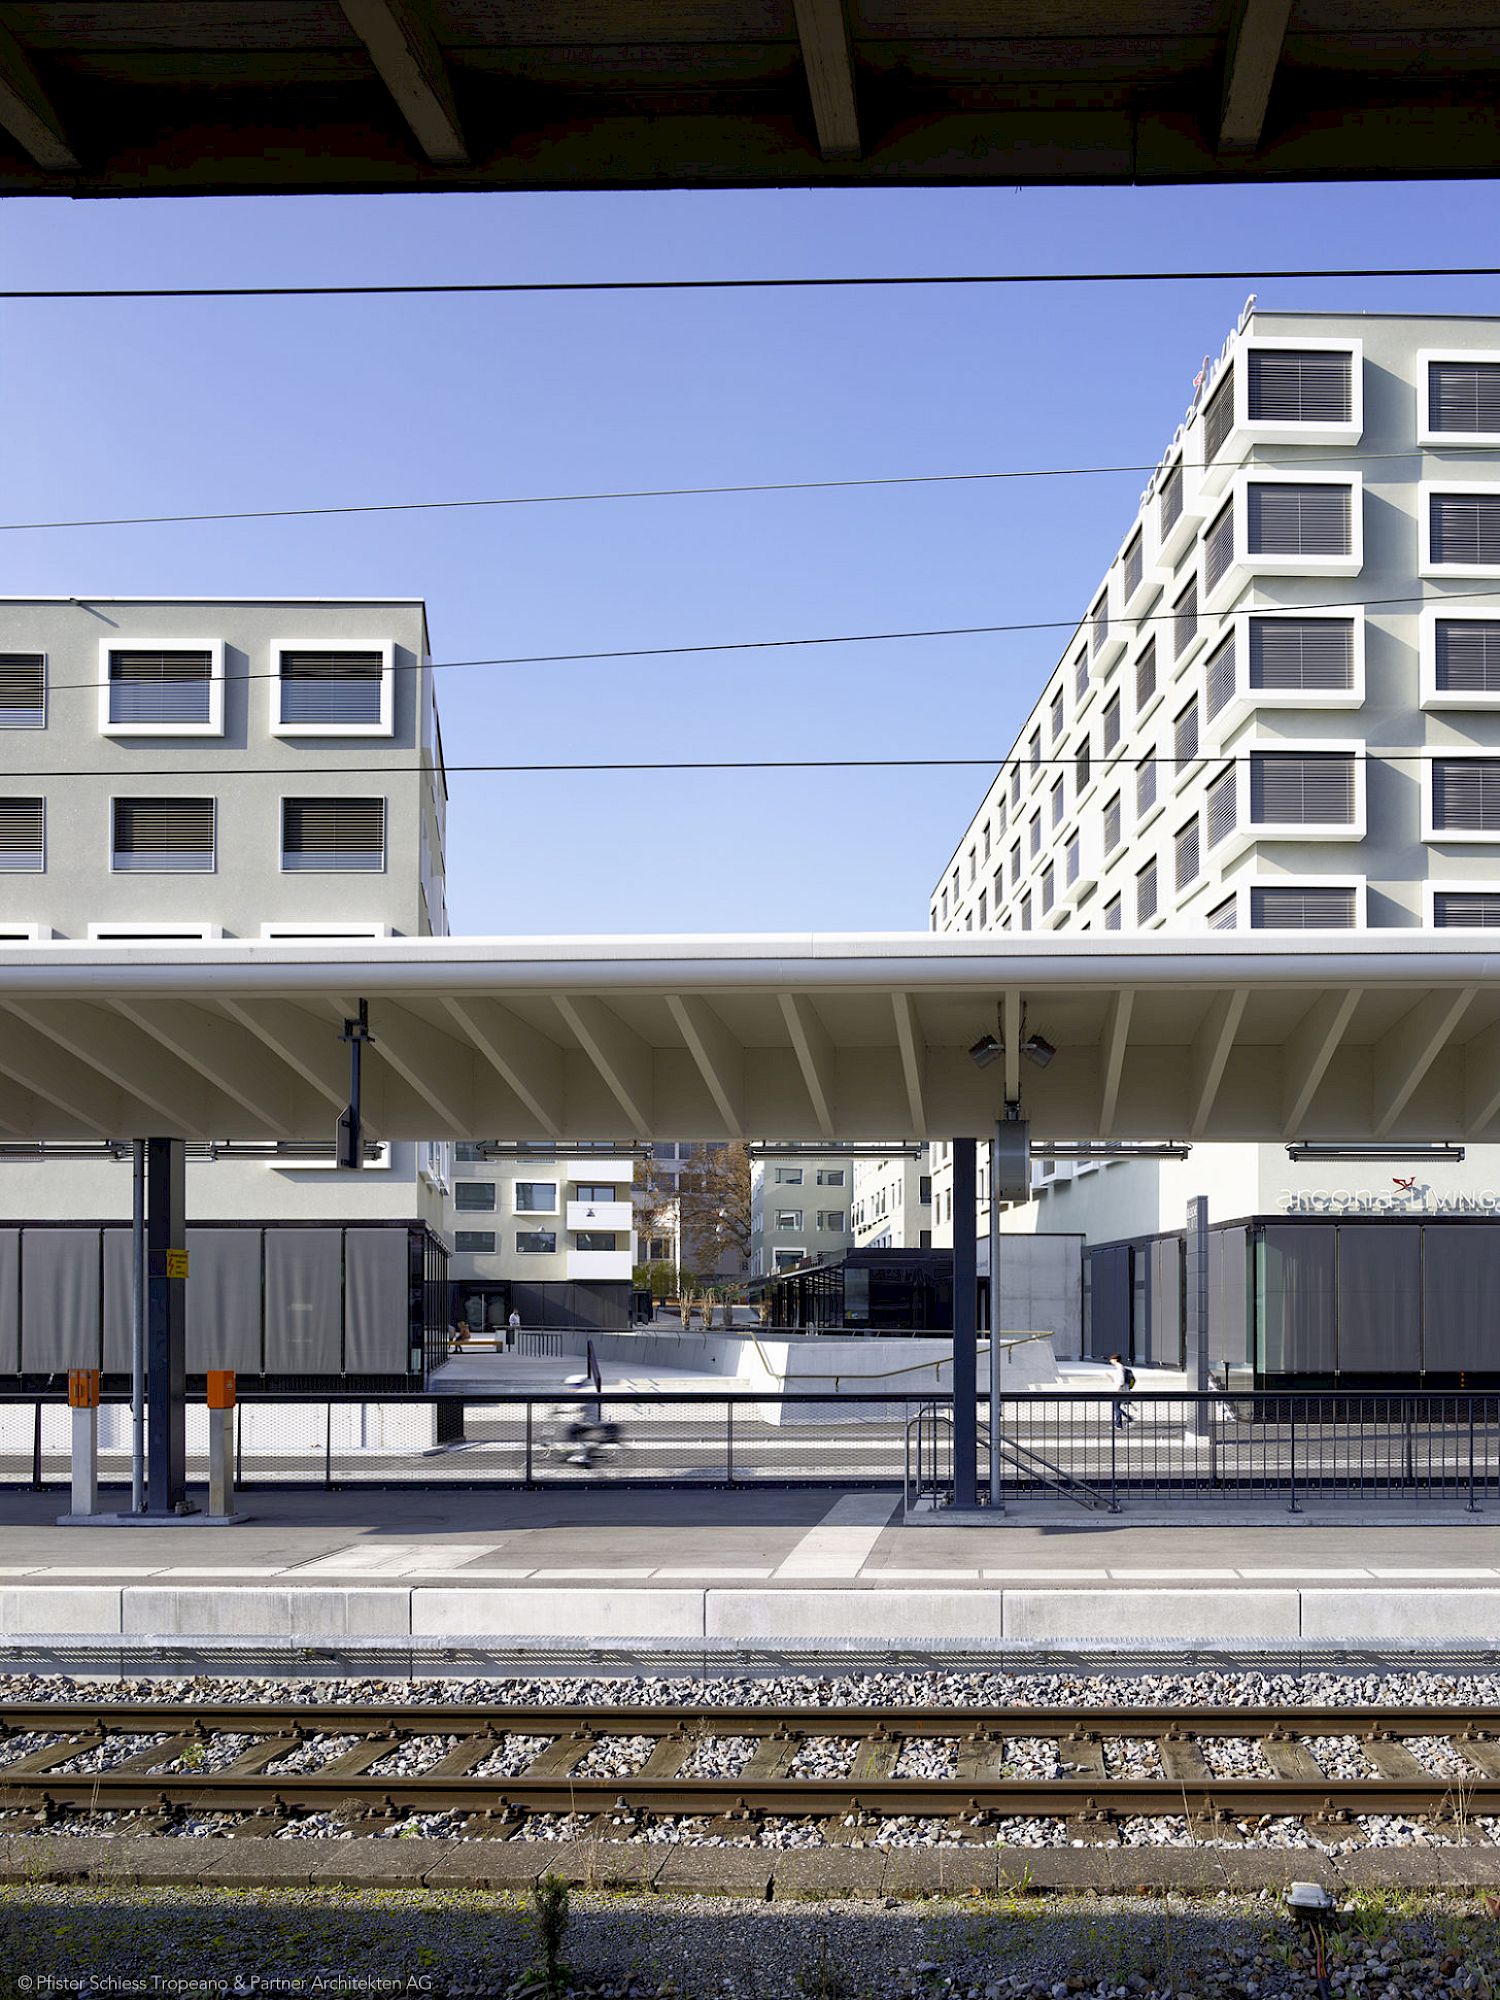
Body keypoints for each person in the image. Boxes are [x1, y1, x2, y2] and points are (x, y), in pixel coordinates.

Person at [1106, 1352, 1135, 1430]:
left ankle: (1120, 1423)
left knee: (1115, 1407)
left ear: (1115, 1360)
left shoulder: (1120, 1368)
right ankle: (1123, 1421)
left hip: (1119, 1391)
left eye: (1111, 1359)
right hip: (1121, 1391)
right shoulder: (1120, 1368)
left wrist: (1117, 1390)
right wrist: (1111, 1378)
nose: (1110, 1361)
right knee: (1116, 1407)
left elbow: (1121, 1381)